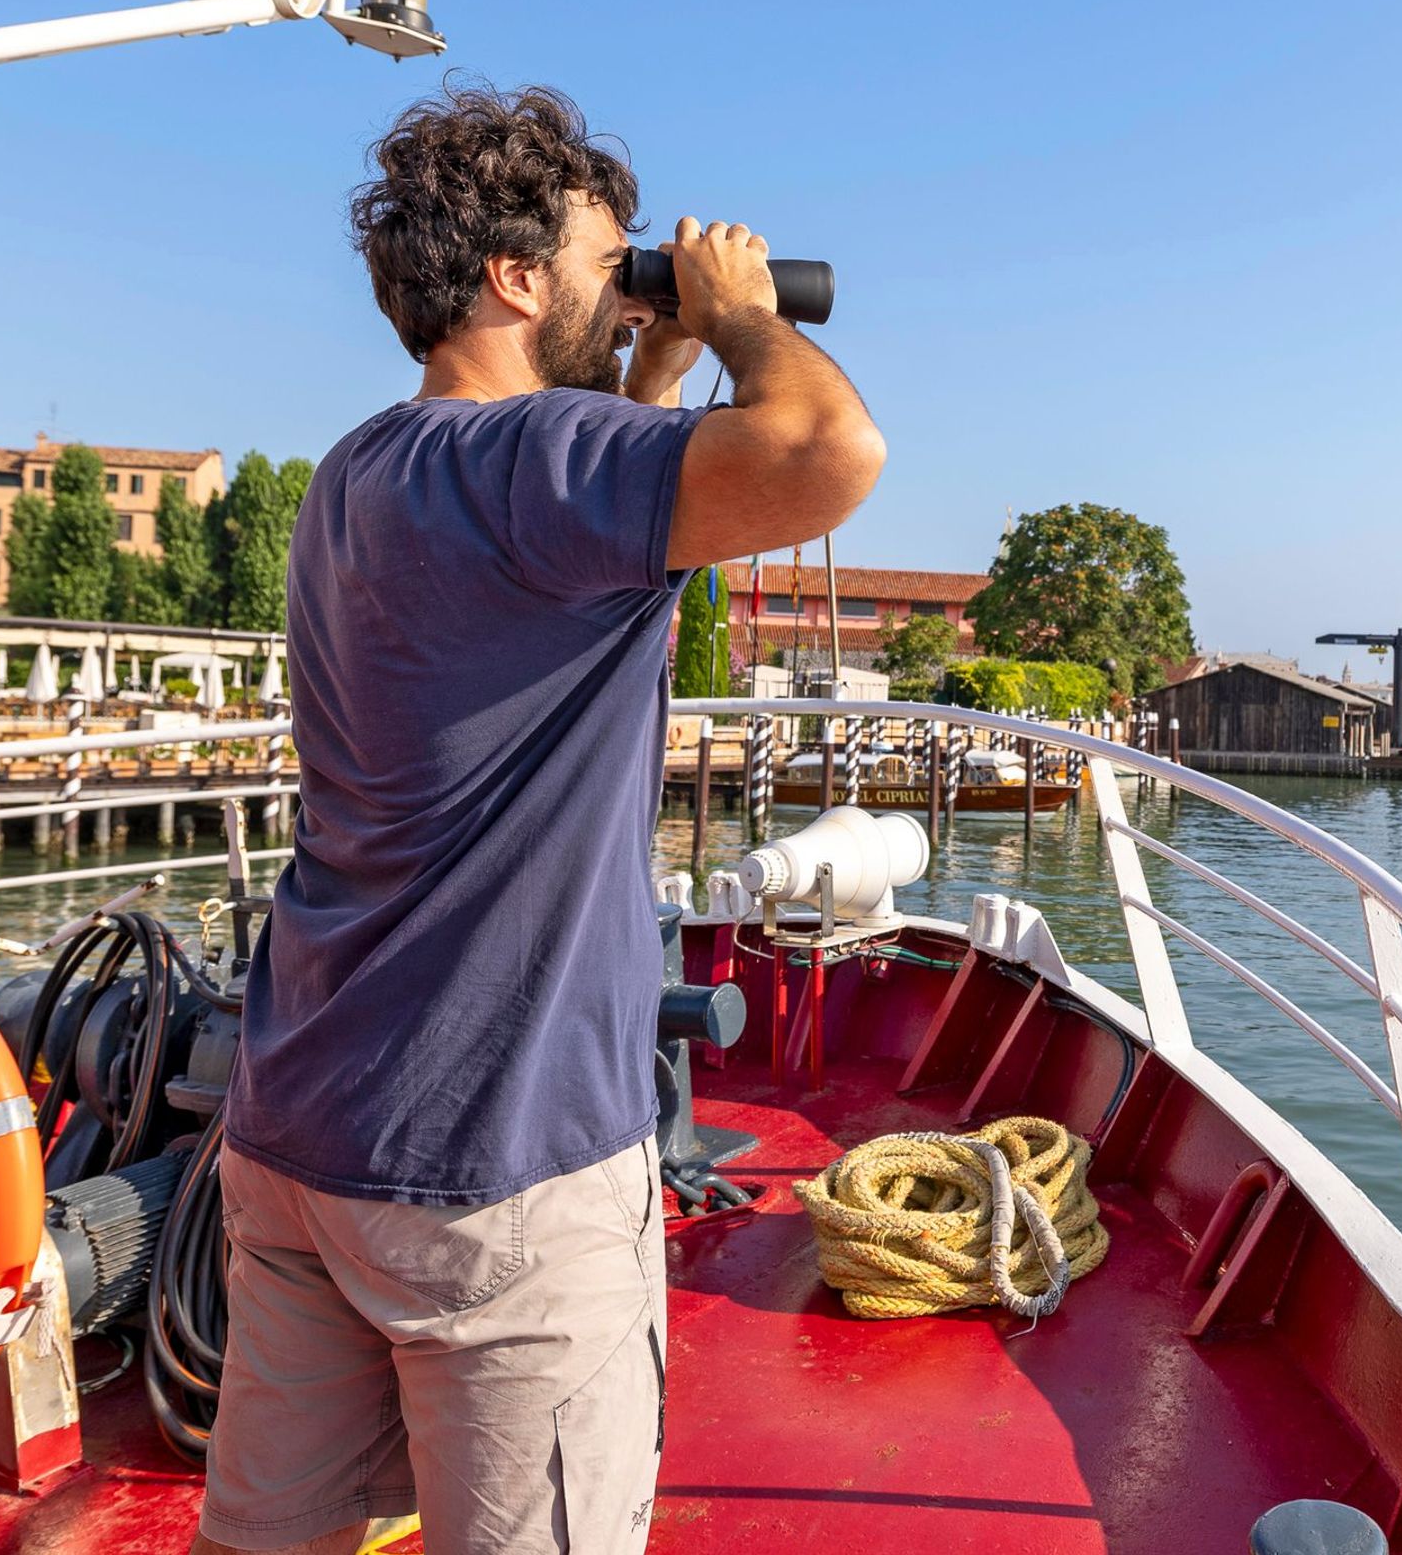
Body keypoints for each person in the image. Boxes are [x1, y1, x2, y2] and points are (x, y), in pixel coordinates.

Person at [192, 84, 884, 1555]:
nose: (627, 285)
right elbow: (829, 453)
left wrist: (656, 360)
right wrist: (741, 313)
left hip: (304, 1130)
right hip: (495, 1162)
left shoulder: (360, 471)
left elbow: (564, 536)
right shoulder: (543, 467)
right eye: (607, 261)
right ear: (516, 276)